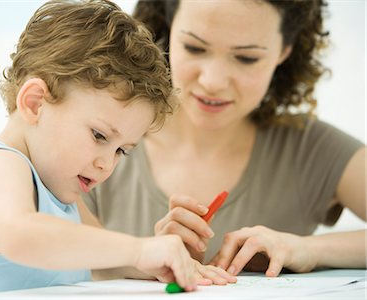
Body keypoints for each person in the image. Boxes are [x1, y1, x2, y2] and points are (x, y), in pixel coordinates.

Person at [0, 0, 238, 296]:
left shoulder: (62, 195)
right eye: (99, 136)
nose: (107, 164)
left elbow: (102, 265)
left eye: (122, 151)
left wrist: (158, 259)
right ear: (35, 103)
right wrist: (139, 250)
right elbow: (21, 236)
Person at [83, 0, 366, 280]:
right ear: (167, 31)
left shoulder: (313, 149)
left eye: (246, 58)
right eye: (194, 47)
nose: (213, 81)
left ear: (284, 52)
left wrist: (308, 249)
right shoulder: (101, 135)